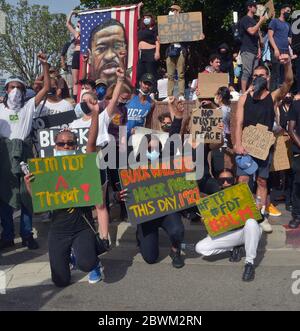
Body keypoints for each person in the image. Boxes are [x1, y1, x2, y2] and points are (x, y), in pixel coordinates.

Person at [24, 129, 101, 286]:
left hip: (81, 226)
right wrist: (29, 186)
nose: (66, 146)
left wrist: (94, 115)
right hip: (58, 229)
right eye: (61, 143)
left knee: (86, 263)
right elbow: (41, 206)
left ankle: (93, 261)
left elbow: (91, 144)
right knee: (60, 281)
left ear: (75, 146)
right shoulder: (46, 171)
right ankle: (70, 256)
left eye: (70, 143)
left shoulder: (84, 166)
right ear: (55, 147)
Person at [234, 54, 293, 233]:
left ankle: (260, 215)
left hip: (263, 147)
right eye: (255, 76)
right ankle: (244, 214)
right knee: (243, 180)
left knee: (261, 180)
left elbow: (289, 82)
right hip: (245, 146)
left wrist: (288, 63)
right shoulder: (245, 98)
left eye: (262, 75)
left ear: (267, 78)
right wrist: (237, 143)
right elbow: (238, 123)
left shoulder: (273, 96)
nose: (258, 78)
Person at [0, 53, 50, 250]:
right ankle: (8, 235)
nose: (15, 91)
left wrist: (45, 65)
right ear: (6, 89)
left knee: (27, 194)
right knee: (4, 194)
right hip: (4, 154)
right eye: (12, 87)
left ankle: (27, 234)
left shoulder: (28, 106)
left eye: (19, 88)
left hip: (25, 152)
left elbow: (46, 88)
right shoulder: (1, 110)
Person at [195, 168, 262, 282]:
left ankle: (249, 263)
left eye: (229, 180)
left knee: (251, 222)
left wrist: (258, 211)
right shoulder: (213, 200)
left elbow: (260, 221)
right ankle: (233, 248)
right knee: (200, 248)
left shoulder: (245, 193)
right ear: (218, 182)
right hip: (229, 235)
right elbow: (213, 226)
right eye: (222, 181)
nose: (225, 183)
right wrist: (206, 221)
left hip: (247, 232)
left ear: (234, 180)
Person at [89, 19, 127, 88]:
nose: (109, 56)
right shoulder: (88, 90)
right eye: (101, 49)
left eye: (117, 46)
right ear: (90, 56)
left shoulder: (131, 94)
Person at [240, 0, 267, 93]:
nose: (256, 8)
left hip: (255, 50)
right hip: (247, 49)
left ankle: (251, 91)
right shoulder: (245, 19)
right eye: (254, 6)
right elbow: (251, 31)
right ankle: (244, 93)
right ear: (249, 7)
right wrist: (260, 22)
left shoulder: (254, 21)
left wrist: (259, 49)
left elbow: (258, 38)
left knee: (254, 73)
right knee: (247, 72)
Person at [268, 4, 292, 91]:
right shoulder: (274, 21)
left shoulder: (288, 25)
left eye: (290, 12)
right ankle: (272, 95)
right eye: (287, 11)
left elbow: (289, 39)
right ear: (282, 10)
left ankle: (282, 94)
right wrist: (275, 49)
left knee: (284, 74)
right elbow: (270, 36)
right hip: (276, 51)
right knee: (275, 73)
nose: (288, 13)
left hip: (286, 52)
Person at [165, 4, 186, 101]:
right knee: (170, 75)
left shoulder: (184, 23)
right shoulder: (166, 23)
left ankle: (181, 94)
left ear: (178, 12)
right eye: (171, 10)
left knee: (180, 74)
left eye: (174, 10)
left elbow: (191, 34)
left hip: (180, 50)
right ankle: (169, 95)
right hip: (170, 50)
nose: (171, 12)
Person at [137, 13, 160, 94]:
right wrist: (139, 7)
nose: (146, 19)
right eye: (145, 17)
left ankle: (153, 92)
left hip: (151, 52)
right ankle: (140, 92)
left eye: (148, 17)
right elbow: (136, 17)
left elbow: (157, 41)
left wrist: (157, 52)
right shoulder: (140, 28)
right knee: (139, 72)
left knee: (151, 72)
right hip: (141, 54)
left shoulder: (154, 28)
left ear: (151, 19)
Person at [126, 73, 155, 137]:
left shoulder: (151, 103)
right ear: (140, 83)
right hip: (122, 134)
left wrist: (147, 137)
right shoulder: (131, 96)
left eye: (149, 84)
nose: (147, 86)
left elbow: (148, 123)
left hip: (137, 136)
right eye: (145, 83)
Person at [287, 93, 300, 228]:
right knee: (298, 185)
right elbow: (291, 130)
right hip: (299, 152)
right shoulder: (296, 105)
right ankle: (297, 215)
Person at [66, 11, 81, 102]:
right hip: (76, 55)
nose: (78, 27)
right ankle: (76, 100)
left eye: (80, 25)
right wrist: (71, 13)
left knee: (84, 79)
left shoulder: (89, 35)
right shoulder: (77, 35)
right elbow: (68, 24)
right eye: (78, 26)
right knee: (75, 81)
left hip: (85, 55)